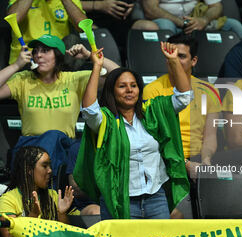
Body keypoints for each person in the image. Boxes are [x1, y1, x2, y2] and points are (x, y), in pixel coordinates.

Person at [0, 34, 118, 213]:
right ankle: (49, 199)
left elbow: (118, 76)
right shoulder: (23, 79)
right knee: (53, 136)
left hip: (64, 147)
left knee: (74, 143)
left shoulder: (73, 80)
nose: (39, 55)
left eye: (45, 51)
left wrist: (90, 56)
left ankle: (50, 199)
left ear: (58, 56)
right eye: (36, 51)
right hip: (29, 149)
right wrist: (16, 65)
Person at [73, 42, 191, 219]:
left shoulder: (153, 112)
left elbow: (184, 97)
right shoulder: (107, 121)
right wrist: (97, 66)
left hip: (156, 198)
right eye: (122, 86)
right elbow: (89, 111)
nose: (129, 90)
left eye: (133, 85)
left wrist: (174, 61)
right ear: (112, 91)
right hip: (120, 199)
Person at [143, 33, 221, 218]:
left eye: (182, 56)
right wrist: (185, 164)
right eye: (171, 54)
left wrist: (206, 161)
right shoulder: (151, 90)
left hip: (197, 158)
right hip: (165, 161)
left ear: (194, 60)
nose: (174, 60)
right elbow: (155, 139)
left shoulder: (209, 91)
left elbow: (210, 136)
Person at [0, 146, 75, 237]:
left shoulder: (53, 196)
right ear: (29, 170)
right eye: (45, 166)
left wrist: (61, 214)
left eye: (50, 165)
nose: (50, 170)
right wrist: (32, 218)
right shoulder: (8, 199)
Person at [7, 0, 87, 65]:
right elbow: (13, 19)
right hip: (26, 58)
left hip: (57, 61)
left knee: (72, 40)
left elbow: (83, 27)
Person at [132, 0, 242, 39]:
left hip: (197, 19)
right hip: (167, 19)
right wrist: (182, 23)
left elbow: (216, 6)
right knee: (166, 27)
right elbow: (151, 9)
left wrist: (203, 20)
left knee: (234, 26)